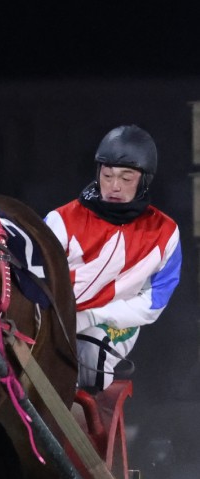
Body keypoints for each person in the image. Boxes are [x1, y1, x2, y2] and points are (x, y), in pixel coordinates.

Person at [44, 124, 182, 392]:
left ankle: (88, 410)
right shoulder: (60, 220)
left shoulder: (165, 233)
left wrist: (91, 317)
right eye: (107, 176)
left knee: (92, 351)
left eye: (126, 179)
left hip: (112, 325)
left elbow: (154, 303)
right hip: (54, 318)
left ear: (144, 180)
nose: (114, 186)